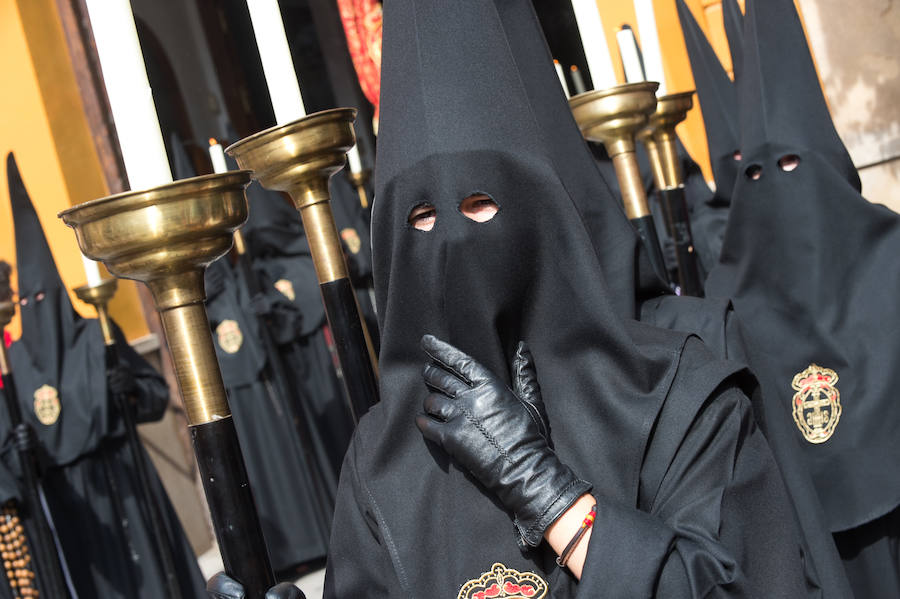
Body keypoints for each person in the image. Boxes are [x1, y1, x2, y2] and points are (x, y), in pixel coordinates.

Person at [319, 0, 812, 595]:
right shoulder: (376, 461)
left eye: (481, 204)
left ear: (541, 216)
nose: (450, 239)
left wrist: (550, 496)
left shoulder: (681, 400)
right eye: (419, 218)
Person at [702, 0, 900, 595]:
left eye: (792, 164)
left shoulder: (890, 259)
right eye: (754, 176)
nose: (775, 185)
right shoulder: (725, 303)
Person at [3, 153, 206, 598]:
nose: (40, 308)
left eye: (47, 297)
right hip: (70, 501)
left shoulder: (97, 335)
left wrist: (130, 390)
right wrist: (21, 451)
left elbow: (154, 396)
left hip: (124, 479)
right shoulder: (14, 363)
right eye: (30, 301)